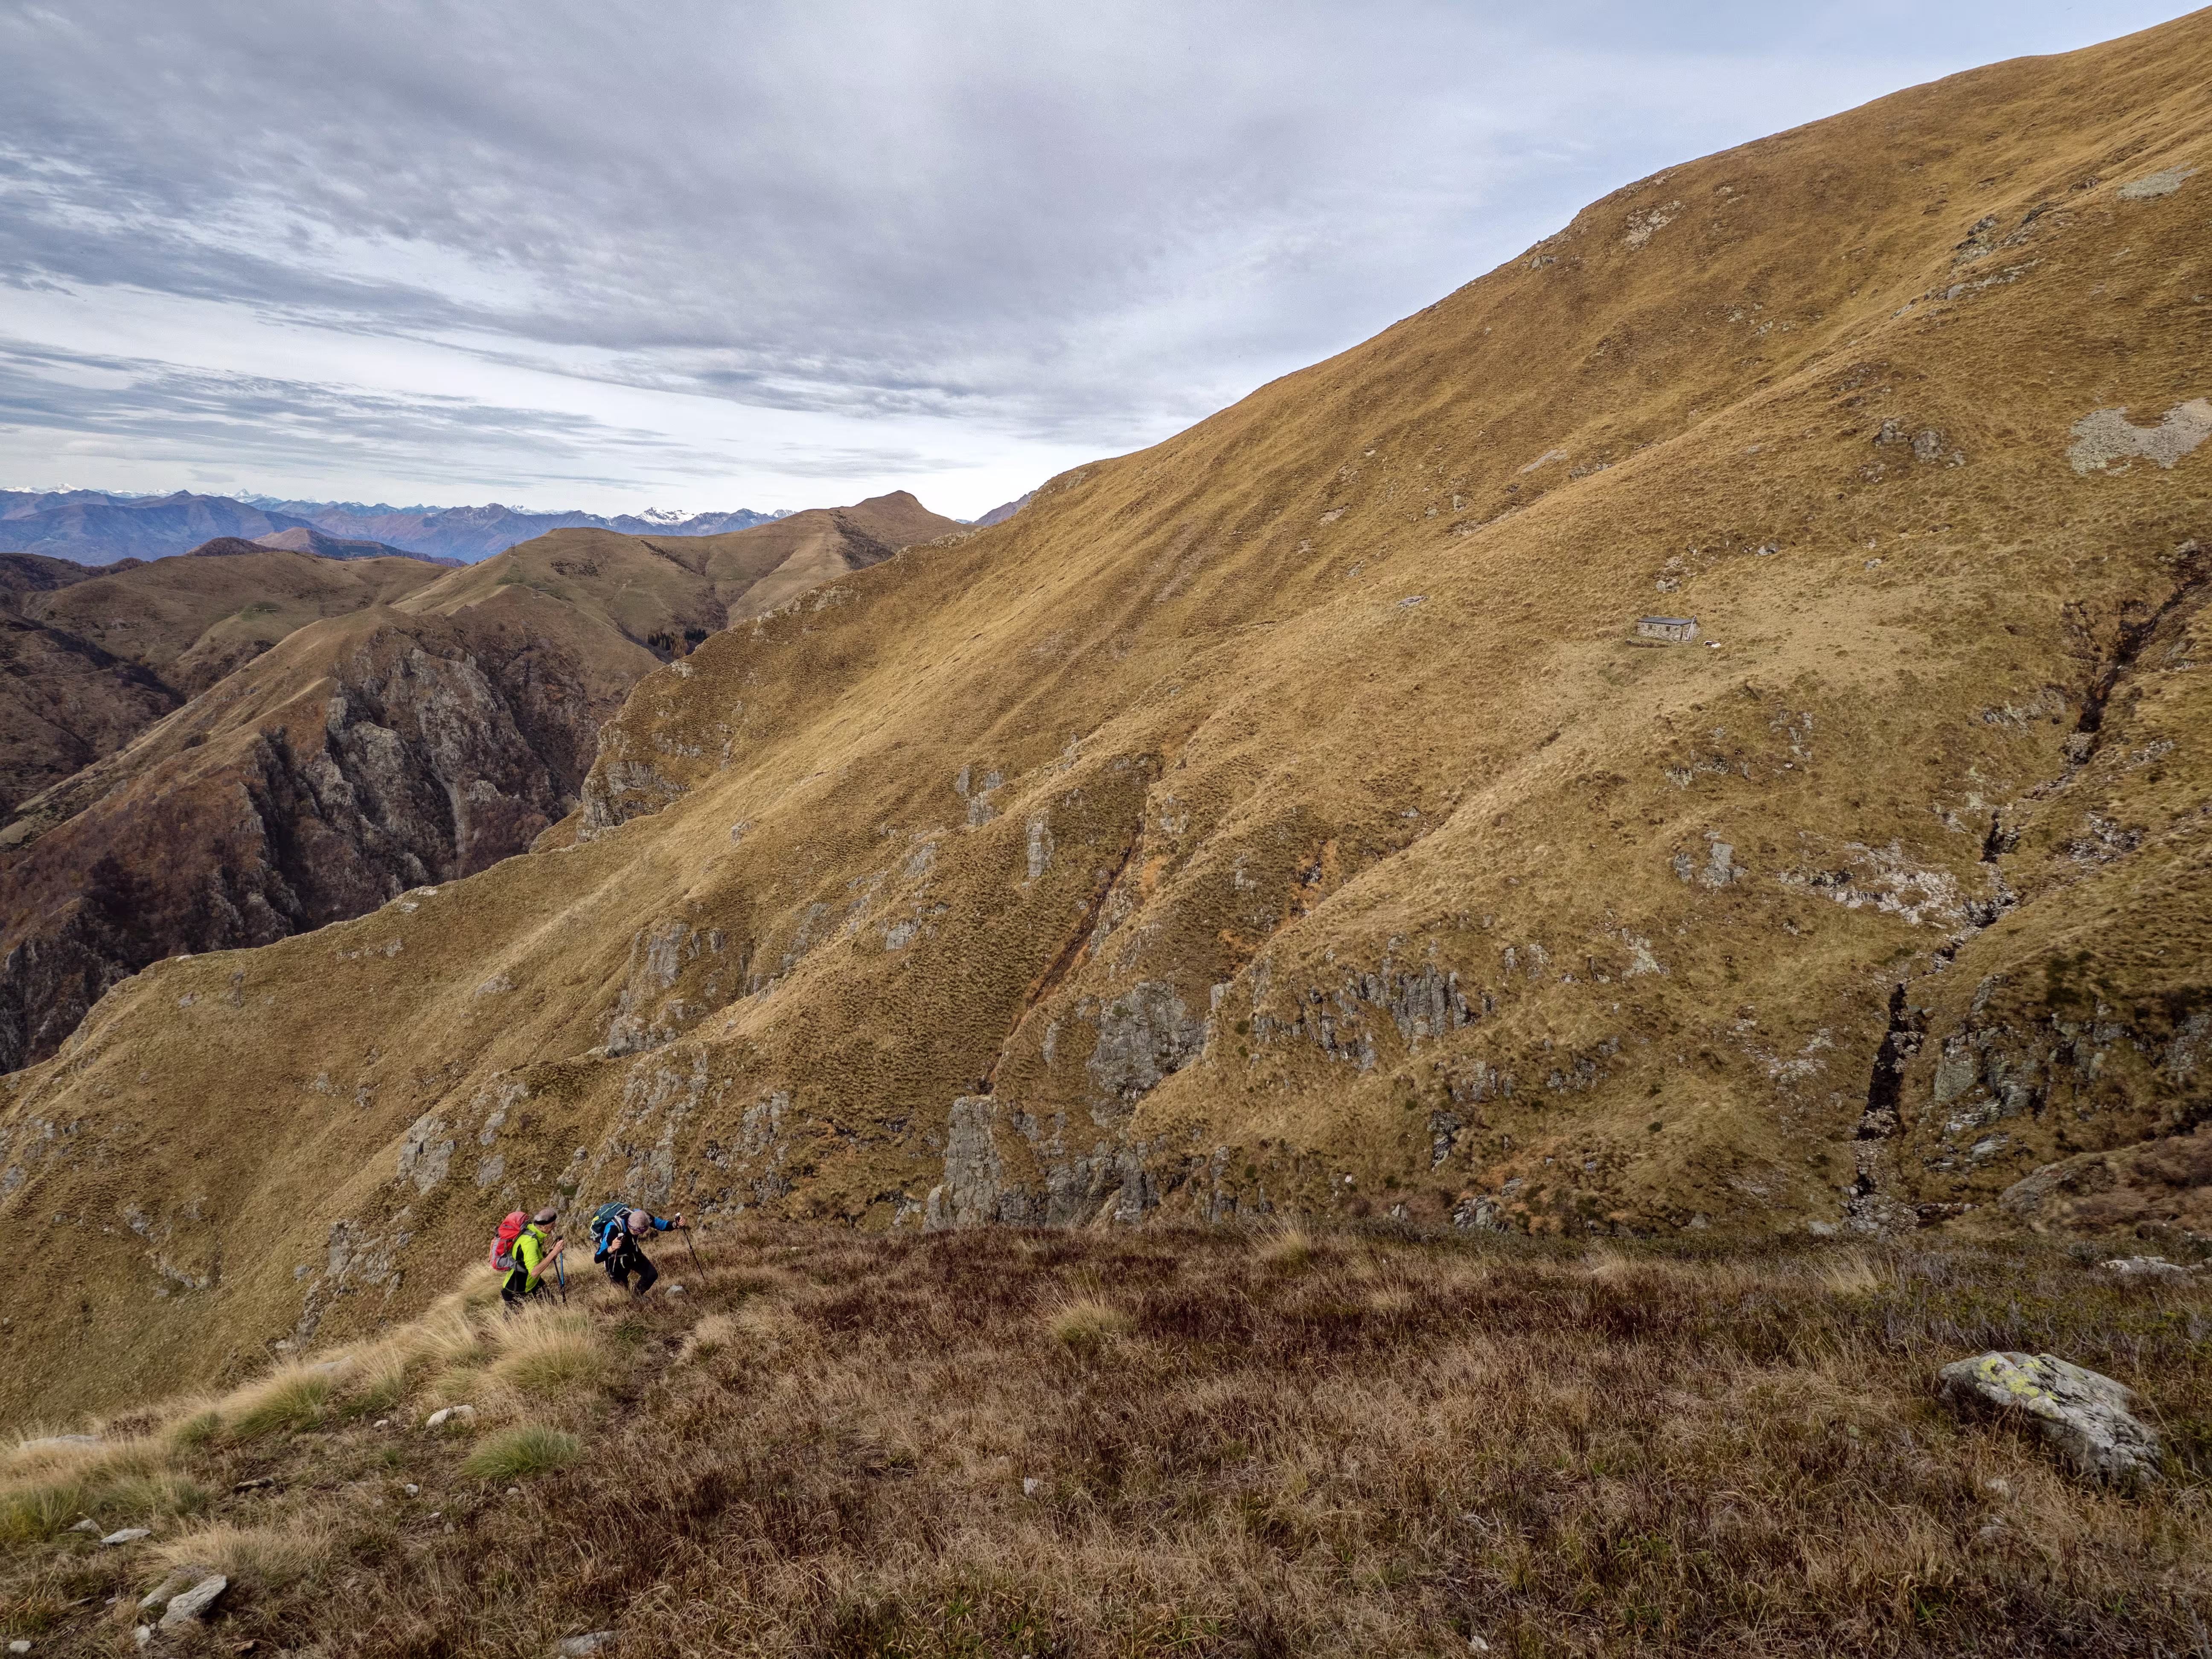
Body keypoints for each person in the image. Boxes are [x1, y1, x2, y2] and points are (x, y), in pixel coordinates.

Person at [594, 1205, 683, 1297]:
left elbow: (661, 1225)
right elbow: (597, 1258)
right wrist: (611, 1248)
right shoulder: (613, 1228)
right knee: (623, 1294)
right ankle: (628, 1303)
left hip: (634, 1254)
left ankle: (636, 1297)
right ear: (630, 1226)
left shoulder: (642, 1216)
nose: (641, 1234)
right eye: (638, 1232)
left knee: (651, 1275)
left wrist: (675, 1225)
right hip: (616, 1261)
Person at [501, 1208, 564, 1311]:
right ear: (543, 1226)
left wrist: (547, 1255)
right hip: (517, 1290)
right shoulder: (530, 1243)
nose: (555, 1226)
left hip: (533, 1283)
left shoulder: (533, 1233)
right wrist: (554, 1252)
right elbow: (535, 1272)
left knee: (553, 1307)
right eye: (552, 1225)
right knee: (511, 1324)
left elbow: (528, 1258)